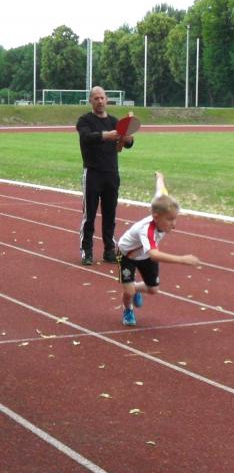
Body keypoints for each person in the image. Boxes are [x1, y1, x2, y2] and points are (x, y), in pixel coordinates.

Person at [116, 172, 200, 326]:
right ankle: (128, 309)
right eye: (170, 219)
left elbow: (161, 190)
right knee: (128, 291)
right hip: (127, 255)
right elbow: (154, 255)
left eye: (175, 218)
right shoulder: (147, 230)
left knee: (153, 290)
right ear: (156, 217)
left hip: (145, 255)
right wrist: (182, 259)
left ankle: (136, 288)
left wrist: (160, 178)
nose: (174, 224)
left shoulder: (162, 203)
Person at [76, 86, 134, 265]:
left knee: (110, 214)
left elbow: (128, 142)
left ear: (106, 99)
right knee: (89, 215)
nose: (100, 101)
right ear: (90, 101)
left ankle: (109, 250)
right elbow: (87, 137)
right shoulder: (84, 120)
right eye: (96, 98)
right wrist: (107, 135)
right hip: (92, 173)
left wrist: (127, 138)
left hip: (111, 173)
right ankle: (87, 251)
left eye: (102, 98)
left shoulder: (115, 121)